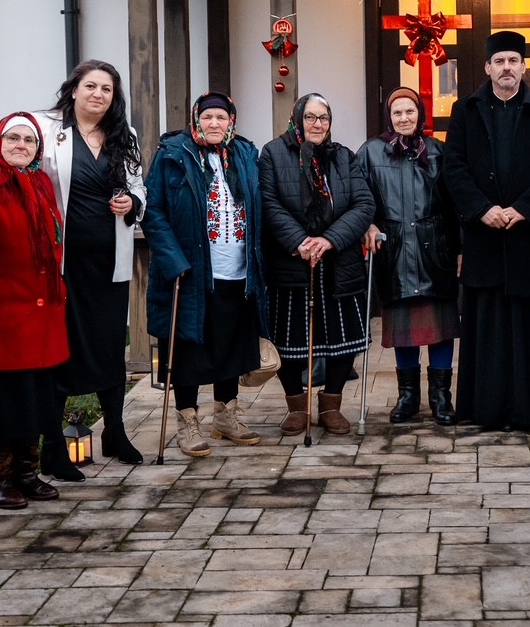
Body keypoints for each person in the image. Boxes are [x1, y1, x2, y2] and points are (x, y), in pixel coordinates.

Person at [443, 30, 530, 431]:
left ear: (524, 67)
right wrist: (483, 209)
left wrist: (523, 209)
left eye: (513, 61)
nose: (506, 69)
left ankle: (529, 410)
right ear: (487, 68)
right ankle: (485, 409)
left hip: (526, 236)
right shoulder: (465, 111)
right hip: (484, 236)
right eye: (499, 62)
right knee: (485, 326)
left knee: (527, 327)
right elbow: (454, 167)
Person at [35, 60, 146, 471]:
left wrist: (132, 202)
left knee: (108, 347)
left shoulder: (124, 135)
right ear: (74, 89)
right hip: (63, 265)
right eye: (91, 86)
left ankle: (114, 431)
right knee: (60, 350)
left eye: (107, 89)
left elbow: (138, 186)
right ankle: (52, 447)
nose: (99, 95)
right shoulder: (48, 131)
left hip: (108, 263)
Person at [142, 92, 267, 456]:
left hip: (238, 270)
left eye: (221, 117)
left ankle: (225, 416)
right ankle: (188, 420)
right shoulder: (173, 154)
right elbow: (154, 212)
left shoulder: (245, 154)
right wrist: (174, 261)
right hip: (191, 271)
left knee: (230, 344)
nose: (215, 123)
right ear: (197, 119)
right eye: (208, 117)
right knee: (189, 349)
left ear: (232, 121)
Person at [0, 112, 69, 509]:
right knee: (2, 397)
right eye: (14, 138)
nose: (22, 146)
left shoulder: (39, 180)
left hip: (40, 307)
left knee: (34, 394)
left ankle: (27, 472)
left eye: (30, 140)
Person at [259, 93, 375, 435]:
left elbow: (363, 204)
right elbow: (269, 203)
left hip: (339, 261)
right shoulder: (273, 153)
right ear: (297, 118)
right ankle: (296, 405)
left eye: (323, 117)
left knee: (343, 338)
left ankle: (331, 404)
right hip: (291, 261)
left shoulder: (344, 156)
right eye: (310, 117)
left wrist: (329, 240)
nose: (317, 124)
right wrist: (299, 241)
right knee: (290, 339)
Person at [357, 88, 461, 425]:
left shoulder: (438, 151)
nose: (404, 118)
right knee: (404, 328)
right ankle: (408, 396)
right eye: (398, 113)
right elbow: (359, 197)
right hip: (395, 251)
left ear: (421, 114)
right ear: (389, 116)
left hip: (436, 251)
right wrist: (368, 225)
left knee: (440, 329)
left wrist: (460, 249)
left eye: (410, 112)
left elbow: (455, 205)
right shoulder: (371, 153)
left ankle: (441, 397)